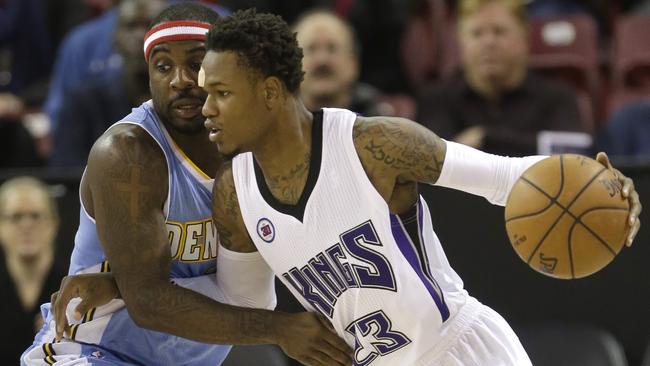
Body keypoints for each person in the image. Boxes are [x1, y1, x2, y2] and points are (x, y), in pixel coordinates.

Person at [53, 9, 642, 366]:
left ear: (268, 92)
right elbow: (244, 305)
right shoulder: (236, 194)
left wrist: (605, 189)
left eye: (221, 94)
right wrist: (124, 287)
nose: (205, 109)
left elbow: (504, 177)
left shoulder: (375, 144)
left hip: (459, 350)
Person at [22, 3, 351, 366]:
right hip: (92, 353)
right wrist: (280, 328)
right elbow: (149, 304)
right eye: (163, 67)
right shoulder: (127, 154)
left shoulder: (250, 153)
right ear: (148, 76)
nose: (179, 79)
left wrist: (120, 287)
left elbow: (247, 300)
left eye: (195, 64)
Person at [417, 0, 585, 156]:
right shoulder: (436, 101)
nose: (489, 42)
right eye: (476, 34)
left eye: (499, 31)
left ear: (525, 37)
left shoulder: (558, 98)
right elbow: (432, 166)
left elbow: (572, 156)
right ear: (460, 42)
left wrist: (485, 138)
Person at [49, 0, 165, 167]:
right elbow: (66, 173)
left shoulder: (187, 101)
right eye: (131, 27)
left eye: (150, 26)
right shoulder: (83, 103)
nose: (141, 36)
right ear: (115, 37)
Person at [0, 177, 66, 364]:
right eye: (16, 217)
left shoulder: (77, 290)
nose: (26, 225)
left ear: (54, 223)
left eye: (36, 216)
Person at [293, 9, 386, 117]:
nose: (322, 60)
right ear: (291, 64)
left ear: (353, 63)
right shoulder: (272, 126)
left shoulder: (382, 125)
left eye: (332, 49)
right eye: (311, 49)